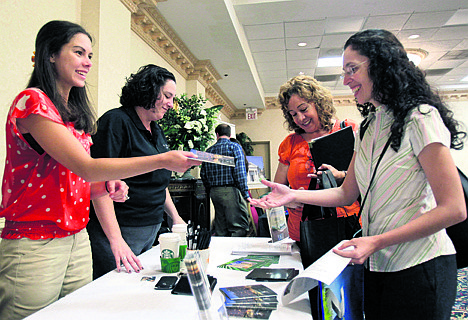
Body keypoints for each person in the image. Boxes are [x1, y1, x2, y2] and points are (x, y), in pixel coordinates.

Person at [251, 29, 466, 320]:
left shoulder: (421, 117)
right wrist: (291, 194)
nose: (346, 79)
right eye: (345, 71)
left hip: (420, 263)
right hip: (377, 263)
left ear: (382, 65)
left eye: (353, 69)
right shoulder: (368, 127)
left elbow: (454, 209)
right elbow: (345, 192)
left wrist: (376, 241)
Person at [0, 20, 200, 320]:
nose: (87, 63)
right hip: (36, 239)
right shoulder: (33, 101)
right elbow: (87, 166)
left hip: (77, 235)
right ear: (51, 54)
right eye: (79, 52)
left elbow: (83, 175)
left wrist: (109, 183)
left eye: (90, 56)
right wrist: (162, 160)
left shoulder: (73, 112)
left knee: (78, 313)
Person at [87, 64, 186, 279]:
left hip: (150, 228)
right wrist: (116, 239)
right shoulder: (116, 121)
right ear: (149, 90)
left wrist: (175, 217)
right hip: (121, 228)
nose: (171, 104)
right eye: (167, 96)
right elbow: (99, 181)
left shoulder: (156, 129)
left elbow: (159, 179)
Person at [275, 75, 360, 243]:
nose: (300, 118)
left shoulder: (348, 129)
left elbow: (368, 176)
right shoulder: (290, 144)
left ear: (318, 103)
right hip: (304, 232)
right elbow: (278, 190)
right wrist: (288, 201)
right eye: (293, 114)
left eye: (304, 109)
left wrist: (341, 175)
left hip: (347, 226)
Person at [200, 124, 251, 236]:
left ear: (217, 134)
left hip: (214, 192)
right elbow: (240, 171)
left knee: (220, 227)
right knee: (238, 227)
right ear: (230, 134)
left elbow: (203, 174)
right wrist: (245, 193)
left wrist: (210, 189)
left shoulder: (208, 151)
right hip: (230, 191)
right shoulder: (234, 147)